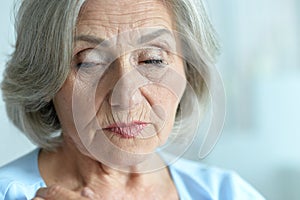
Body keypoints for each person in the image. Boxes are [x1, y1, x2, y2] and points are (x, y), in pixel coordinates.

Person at [0, 0, 265, 199]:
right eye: (89, 62)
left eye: (153, 59)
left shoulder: (228, 192)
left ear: (189, 72)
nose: (126, 97)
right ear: (44, 79)